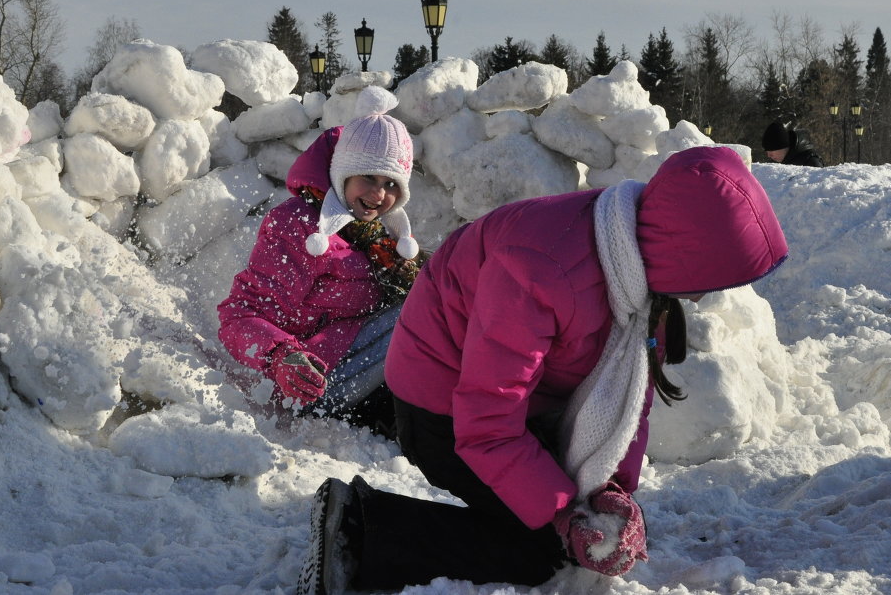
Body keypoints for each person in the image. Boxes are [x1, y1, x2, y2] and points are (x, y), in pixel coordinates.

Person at [295, 145, 788, 595]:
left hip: (522, 406)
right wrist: (564, 516)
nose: (705, 296)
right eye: (707, 279)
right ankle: (358, 529)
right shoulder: (540, 267)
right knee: (547, 552)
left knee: (592, 534)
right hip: (442, 405)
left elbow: (626, 397)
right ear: (680, 253)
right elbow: (487, 423)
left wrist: (613, 489)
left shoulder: (636, 258)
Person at [217, 86, 423, 436]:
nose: (378, 194)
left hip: (349, 360)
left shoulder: (378, 235)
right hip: (310, 385)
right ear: (343, 174)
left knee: (439, 294)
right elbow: (239, 314)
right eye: (368, 178)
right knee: (426, 309)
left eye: (390, 184)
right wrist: (282, 357)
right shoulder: (297, 225)